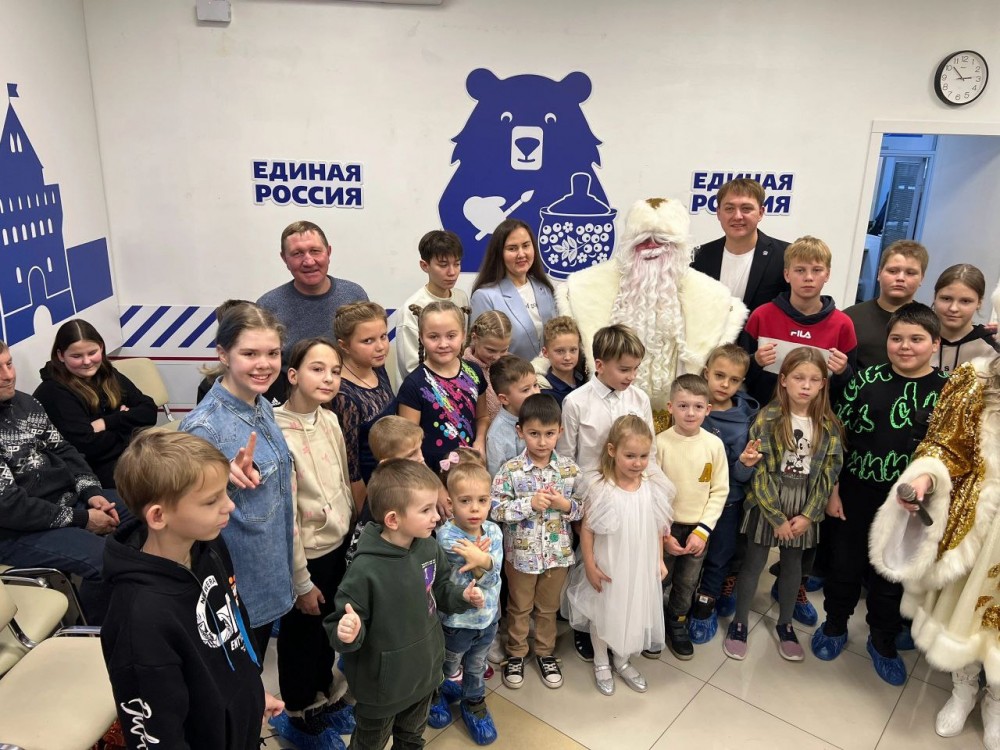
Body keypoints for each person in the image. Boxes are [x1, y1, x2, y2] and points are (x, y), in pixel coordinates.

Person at [868, 290, 1000, 747]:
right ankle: (963, 690)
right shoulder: (973, 379)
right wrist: (925, 476)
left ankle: (996, 700)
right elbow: (945, 443)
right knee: (965, 609)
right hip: (979, 519)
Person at [101, 431, 284, 749]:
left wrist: (250, 694)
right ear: (159, 516)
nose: (229, 505)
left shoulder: (209, 546)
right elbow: (157, 733)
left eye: (224, 492)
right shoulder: (139, 619)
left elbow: (234, 627)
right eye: (212, 500)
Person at [811, 302, 947, 685]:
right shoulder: (866, 380)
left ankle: (882, 640)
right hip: (855, 490)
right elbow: (838, 436)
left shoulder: (946, 391)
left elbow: (947, 453)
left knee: (890, 575)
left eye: (916, 339)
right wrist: (833, 489)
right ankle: (835, 624)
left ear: (935, 343)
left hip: (908, 503)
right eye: (897, 338)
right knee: (844, 565)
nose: (905, 346)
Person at [327, 460, 485, 750]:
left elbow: (441, 588)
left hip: (424, 675)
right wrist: (347, 632)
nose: (436, 516)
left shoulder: (428, 545)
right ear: (393, 519)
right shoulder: (365, 569)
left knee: (412, 739)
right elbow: (341, 623)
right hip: (381, 689)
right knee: (369, 745)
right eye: (426, 510)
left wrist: (461, 597)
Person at [558, 197, 747, 423]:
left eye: (662, 241)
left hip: (678, 421)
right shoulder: (585, 287)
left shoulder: (712, 296)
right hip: (607, 416)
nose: (652, 248)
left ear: (679, 248)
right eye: (644, 240)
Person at [180, 301, 295, 660]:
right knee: (243, 675)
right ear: (223, 354)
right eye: (249, 353)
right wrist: (217, 480)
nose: (264, 364)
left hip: (270, 568)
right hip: (238, 585)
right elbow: (184, 513)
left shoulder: (261, 402)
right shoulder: (204, 428)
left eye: (272, 353)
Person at [723, 347, 843, 662]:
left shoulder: (828, 425)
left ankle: (785, 624)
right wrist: (776, 517)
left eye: (814, 379)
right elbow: (760, 471)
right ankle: (739, 622)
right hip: (769, 500)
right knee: (753, 562)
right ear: (784, 380)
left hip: (804, 501)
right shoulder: (767, 418)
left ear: (823, 384)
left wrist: (809, 515)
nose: (806, 385)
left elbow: (829, 472)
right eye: (799, 378)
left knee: (793, 566)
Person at [270, 337, 356, 748]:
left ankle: (325, 695)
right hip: (305, 554)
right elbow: (285, 517)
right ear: (292, 375)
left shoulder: (330, 420)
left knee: (328, 628)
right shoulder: (276, 432)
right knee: (301, 635)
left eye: (335, 371)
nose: (328, 378)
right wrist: (301, 580)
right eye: (317, 369)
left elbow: (342, 480)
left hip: (337, 545)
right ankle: (298, 711)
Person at [0, 341, 123, 624]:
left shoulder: (25, 402)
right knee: (106, 560)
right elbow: (10, 507)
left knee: (149, 508)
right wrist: (83, 519)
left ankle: (128, 608)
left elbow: (64, 450)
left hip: (66, 503)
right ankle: (95, 635)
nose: (8, 375)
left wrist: (91, 492)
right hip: (15, 531)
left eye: (9, 364)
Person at [557, 323, 659, 661]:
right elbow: (567, 458)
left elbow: (650, 451)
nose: (631, 376)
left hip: (630, 496)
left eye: (636, 369)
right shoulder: (576, 402)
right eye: (624, 369)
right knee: (591, 566)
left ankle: (621, 626)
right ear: (599, 364)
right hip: (592, 498)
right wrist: (575, 508)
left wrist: (653, 504)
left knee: (621, 565)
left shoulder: (639, 399)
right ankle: (587, 625)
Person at [563, 414, 673, 695]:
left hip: (639, 564)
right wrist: (589, 565)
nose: (637, 463)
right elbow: (588, 530)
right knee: (603, 612)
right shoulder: (601, 487)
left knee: (632, 610)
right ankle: (601, 660)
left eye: (643, 456)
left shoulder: (651, 486)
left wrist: (659, 559)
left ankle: (622, 659)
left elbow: (656, 527)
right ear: (612, 451)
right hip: (609, 563)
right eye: (630, 456)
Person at [491, 394, 583, 690]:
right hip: (520, 557)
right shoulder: (510, 470)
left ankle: (545, 652)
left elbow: (583, 509)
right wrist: (528, 504)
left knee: (547, 608)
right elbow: (496, 509)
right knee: (519, 607)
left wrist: (565, 505)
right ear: (520, 432)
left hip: (557, 556)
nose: (542, 441)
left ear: (560, 432)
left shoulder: (569, 470)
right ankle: (516, 653)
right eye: (534, 433)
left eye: (549, 433)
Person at [652, 374, 728, 660]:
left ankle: (677, 622)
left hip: (698, 530)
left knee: (687, 583)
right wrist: (664, 534)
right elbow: (653, 493)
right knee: (659, 578)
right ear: (670, 407)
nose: (690, 413)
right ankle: (652, 624)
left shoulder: (714, 445)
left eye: (697, 406)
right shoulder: (660, 444)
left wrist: (703, 531)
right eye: (683, 406)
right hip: (666, 529)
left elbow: (719, 490)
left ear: (708, 409)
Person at [688, 345, 761, 643]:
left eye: (734, 380)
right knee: (688, 555)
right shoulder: (690, 407)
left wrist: (744, 464)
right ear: (706, 373)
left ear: (742, 382)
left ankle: (705, 606)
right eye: (719, 376)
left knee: (719, 557)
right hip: (689, 502)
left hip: (727, 504)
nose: (724, 384)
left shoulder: (746, 420)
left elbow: (742, 476)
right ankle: (679, 602)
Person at [430, 451, 503, 745]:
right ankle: (434, 693)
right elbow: (482, 569)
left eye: (482, 500)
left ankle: (473, 702)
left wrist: (481, 561)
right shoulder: (446, 537)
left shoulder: (494, 531)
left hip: (487, 619)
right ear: (450, 503)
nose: (475, 509)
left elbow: (494, 576)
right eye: (465, 501)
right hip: (457, 622)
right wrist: (483, 560)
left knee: (476, 665)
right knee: (448, 664)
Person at [33, 318, 157, 488]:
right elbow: (87, 447)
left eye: (92, 353)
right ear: (61, 355)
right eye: (76, 356)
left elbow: (149, 411)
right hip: (91, 473)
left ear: (101, 347)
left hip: (128, 455)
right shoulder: (53, 391)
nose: (87, 361)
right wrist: (129, 425)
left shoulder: (107, 373)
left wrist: (108, 422)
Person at [739, 235, 858, 406]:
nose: (808, 277)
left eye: (816, 270)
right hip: (761, 414)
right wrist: (755, 362)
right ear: (787, 274)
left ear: (827, 274)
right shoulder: (761, 316)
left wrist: (843, 372)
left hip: (816, 417)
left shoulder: (843, 325)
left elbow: (850, 387)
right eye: (800, 270)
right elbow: (738, 373)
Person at [398, 301, 488, 469]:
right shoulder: (413, 385)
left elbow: (482, 417)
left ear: (463, 335)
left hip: (471, 468)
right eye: (433, 337)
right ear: (421, 337)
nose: (443, 344)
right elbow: (408, 445)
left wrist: (480, 440)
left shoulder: (474, 372)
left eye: (451, 336)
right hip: (430, 474)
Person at [257, 220, 369, 355]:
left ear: (328, 252)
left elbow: (370, 352)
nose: (309, 262)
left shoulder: (354, 296)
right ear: (285, 259)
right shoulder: (267, 307)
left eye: (315, 251)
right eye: (297, 253)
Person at [691, 178, 790, 313]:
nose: (737, 216)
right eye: (729, 208)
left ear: (760, 213)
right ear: (718, 213)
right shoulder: (697, 257)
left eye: (746, 209)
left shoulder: (786, 256)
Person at [332, 302, 395, 511]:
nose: (380, 346)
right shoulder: (343, 395)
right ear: (344, 345)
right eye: (368, 341)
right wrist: (364, 514)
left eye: (383, 336)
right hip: (370, 490)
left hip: (392, 479)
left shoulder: (377, 367)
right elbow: (351, 469)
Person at [344, 416, 425, 567]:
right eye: (411, 454)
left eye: (420, 448)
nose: (421, 458)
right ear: (387, 463)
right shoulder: (386, 496)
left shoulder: (407, 483)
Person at [470, 219, 556, 361]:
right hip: (507, 375)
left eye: (526, 246)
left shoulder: (545, 289)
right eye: (512, 248)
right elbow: (480, 355)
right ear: (499, 253)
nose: (521, 254)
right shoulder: (484, 297)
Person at [397, 230, 470, 383]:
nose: (452, 272)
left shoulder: (461, 298)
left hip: (459, 384)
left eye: (456, 264)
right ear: (425, 265)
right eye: (443, 265)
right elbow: (410, 367)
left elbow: (463, 348)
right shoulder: (412, 309)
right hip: (423, 390)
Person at [843, 240, 928, 370]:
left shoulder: (928, 322)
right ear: (879, 273)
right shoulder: (850, 318)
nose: (900, 278)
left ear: (921, 278)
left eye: (910, 273)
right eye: (893, 271)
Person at [932, 263, 1000, 373]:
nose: (953, 308)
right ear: (935, 297)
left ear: (979, 303)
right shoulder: (916, 338)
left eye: (965, 301)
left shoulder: (992, 343)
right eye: (946, 298)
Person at [485, 355, 540, 477]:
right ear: (504, 399)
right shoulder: (497, 436)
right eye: (526, 390)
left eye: (535, 385)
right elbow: (496, 477)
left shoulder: (541, 414)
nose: (535, 393)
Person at [463, 310, 513, 423]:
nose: (497, 357)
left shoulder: (512, 364)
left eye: (504, 350)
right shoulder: (463, 372)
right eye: (491, 350)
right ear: (475, 338)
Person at [536, 315, 587, 407]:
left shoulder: (585, 377)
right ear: (545, 352)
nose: (567, 357)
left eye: (573, 350)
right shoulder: (546, 393)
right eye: (560, 351)